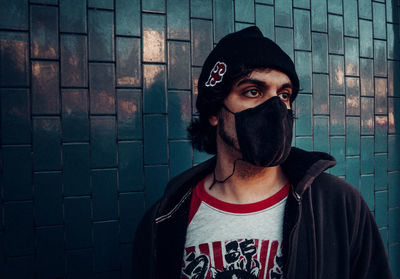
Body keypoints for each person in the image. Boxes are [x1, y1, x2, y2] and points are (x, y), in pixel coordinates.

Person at [133, 26, 393, 279]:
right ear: (214, 112)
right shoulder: (164, 221)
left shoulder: (339, 206)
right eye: (253, 91)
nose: (275, 108)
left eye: (284, 95)